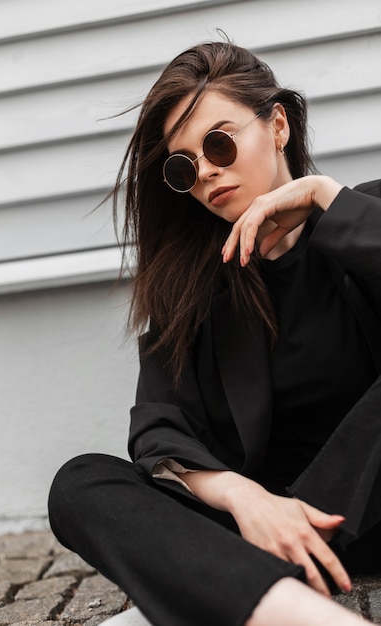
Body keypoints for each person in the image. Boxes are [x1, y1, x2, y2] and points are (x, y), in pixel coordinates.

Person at [48, 41, 381, 626]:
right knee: (79, 481)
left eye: (219, 143)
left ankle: (212, 592)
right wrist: (244, 497)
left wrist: (325, 196)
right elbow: (158, 428)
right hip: (266, 534)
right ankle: (290, 609)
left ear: (278, 124)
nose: (204, 171)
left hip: (371, 512)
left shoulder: (364, 218)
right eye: (183, 167)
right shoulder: (196, 291)